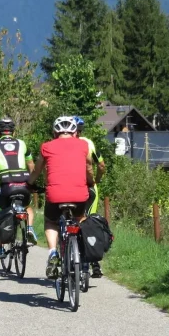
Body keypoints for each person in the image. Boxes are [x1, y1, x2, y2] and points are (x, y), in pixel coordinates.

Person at [27, 115, 95, 278]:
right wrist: (91, 182)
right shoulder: (84, 145)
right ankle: (80, 253)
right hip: (79, 195)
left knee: (51, 221)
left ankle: (52, 253)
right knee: (79, 219)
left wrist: (29, 183)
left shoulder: (46, 147)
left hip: (55, 196)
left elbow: (36, 170)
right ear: (74, 131)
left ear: (55, 131)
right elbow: (89, 169)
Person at [0, 117, 37, 260]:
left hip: (6, 183)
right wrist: (32, 182)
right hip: (23, 181)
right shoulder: (22, 143)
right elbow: (31, 164)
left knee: (0, 212)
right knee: (27, 207)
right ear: (14, 132)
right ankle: (29, 228)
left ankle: (0, 248)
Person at [76, 116, 107, 278]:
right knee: (90, 221)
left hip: (70, 188)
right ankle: (95, 263)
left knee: (72, 222)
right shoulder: (89, 144)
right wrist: (96, 181)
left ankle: (71, 259)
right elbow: (101, 165)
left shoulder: (63, 143)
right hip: (89, 188)